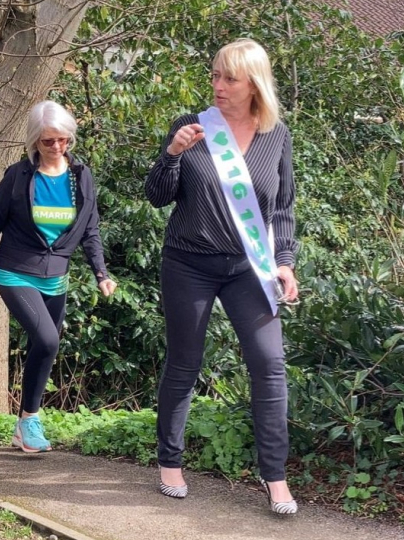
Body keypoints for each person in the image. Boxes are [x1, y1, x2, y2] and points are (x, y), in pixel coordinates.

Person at [145, 38, 300, 515]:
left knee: (269, 365)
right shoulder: (192, 128)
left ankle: (275, 477)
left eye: (229, 78)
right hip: (188, 263)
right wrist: (172, 153)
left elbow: (283, 208)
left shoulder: (276, 134)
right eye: (214, 75)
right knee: (185, 363)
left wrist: (286, 261)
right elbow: (156, 195)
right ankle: (169, 462)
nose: (218, 86)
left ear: (254, 84)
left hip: (247, 268)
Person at [0, 100, 117, 453]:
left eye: (63, 140)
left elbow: (90, 229)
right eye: (48, 141)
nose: (56, 147)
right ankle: (32, 420)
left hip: (57, 275)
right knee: (48, 339)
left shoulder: (80, 176)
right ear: (34, 142)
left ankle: (24, 423)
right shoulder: (18, 175)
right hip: (15, 269)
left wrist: (101, 272)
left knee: (45, 348)